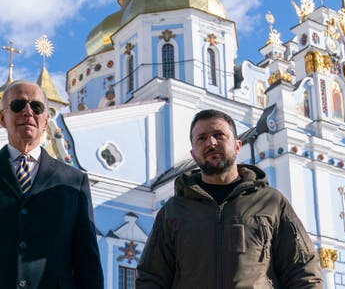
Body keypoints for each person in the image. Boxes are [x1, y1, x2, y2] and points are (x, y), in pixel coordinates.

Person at [0, 81, 104, 289]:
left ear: (46, 119)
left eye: (37, 107)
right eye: (18, 105)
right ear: (3, 117)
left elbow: (88, 262)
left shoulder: (74, 182)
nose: (28, 112)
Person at [136, 109, 322, 288]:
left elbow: (303, 271)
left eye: (219, 135)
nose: (211, 142)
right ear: (193, 153)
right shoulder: (174, 210)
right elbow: (151, 278)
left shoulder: (271, 203)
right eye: (201, 138)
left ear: (238, 145)